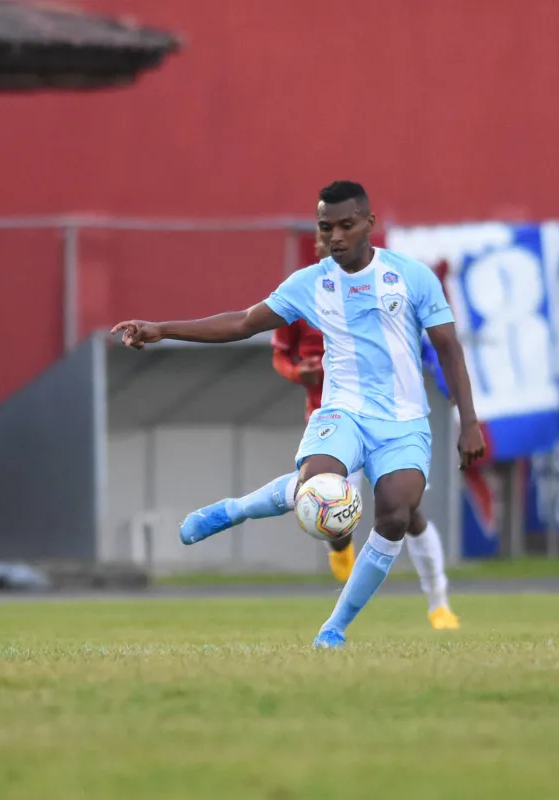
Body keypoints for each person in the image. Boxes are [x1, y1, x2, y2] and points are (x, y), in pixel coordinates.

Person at [112, 181, 485, 648]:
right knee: (318, 487)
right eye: (326, 228)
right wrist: (162, 329)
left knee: (395, 513)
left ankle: (335, 627)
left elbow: (448, 347)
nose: (336, 237)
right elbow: (242, 323)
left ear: (370, 224)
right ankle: (234, 511)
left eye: (347, 226)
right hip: (342, 412)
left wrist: (469, 422)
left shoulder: (411, 276)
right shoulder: (311, 283)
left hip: (404, 422)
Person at [268, 223, 460, 630]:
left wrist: (453, 395)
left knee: (408, 514)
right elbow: (281, 355)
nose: (331, 243)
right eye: (324, 237)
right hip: (332, 419)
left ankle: (439, 603)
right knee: (335, 505)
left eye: (339, 235)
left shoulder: (385, 290)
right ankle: (340, 546)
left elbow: (426, 345)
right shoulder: (304, 294)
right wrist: (297, 373)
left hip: (389, 421)